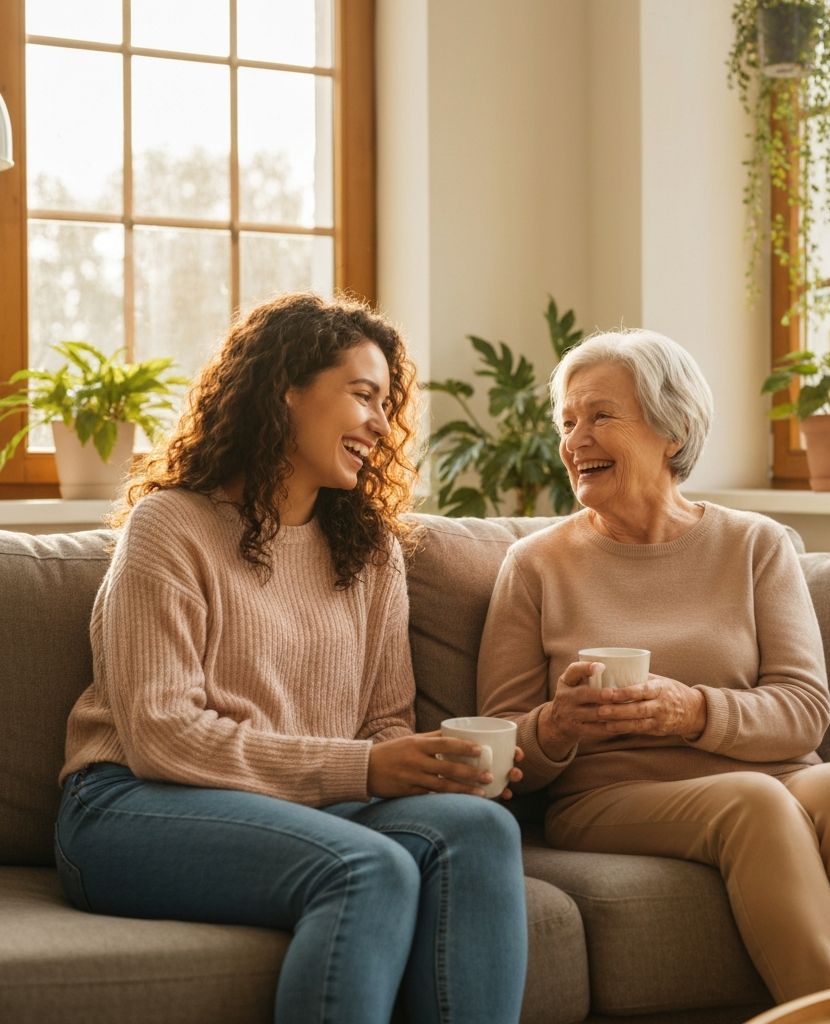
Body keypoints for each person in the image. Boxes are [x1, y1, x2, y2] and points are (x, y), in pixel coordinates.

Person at [55, 292, 528, 1024]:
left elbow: (382, 723)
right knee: (366, 867)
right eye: (363, 395)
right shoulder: (171, 526)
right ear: (285, 390)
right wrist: (367, 769)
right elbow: (161, 735)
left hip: (305, 805)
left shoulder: (369, 551)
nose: (381, 422)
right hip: (129, 806)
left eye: (386, 403)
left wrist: (434, 771)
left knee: (481, 831)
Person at [476, 328, 830, 1005]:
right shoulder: (536, 566)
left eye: (601, 415)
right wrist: (556, 725)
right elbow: (502, 749)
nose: (574, 440)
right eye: (568, 422)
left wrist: (690, 709)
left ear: (674, 431)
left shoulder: (755, 544)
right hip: (607, 796)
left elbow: (805, 711)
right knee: (755, 801)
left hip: (773, 771)